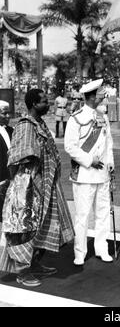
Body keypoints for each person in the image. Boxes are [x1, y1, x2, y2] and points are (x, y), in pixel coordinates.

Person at [0, 90, 74, 288]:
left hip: (45, 186)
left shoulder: (39, 124)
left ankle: (35, 263)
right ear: (34, 104)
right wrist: (19, 186)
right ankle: (22, 271)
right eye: (44, 102)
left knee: (42, 226)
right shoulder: (25, 126)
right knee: (25, 228)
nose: (48, 104)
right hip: (27, 187)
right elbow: (17, 157)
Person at [64, 79, 114, 266]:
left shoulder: (103, 117)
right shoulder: (76, 118)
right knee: (82, 215)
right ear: (92, 96)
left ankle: (102, 248)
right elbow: (70, 146)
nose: (104, 95)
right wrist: (88, 160)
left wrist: (110, 163)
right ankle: (80, 251)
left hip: (102, 174)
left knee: (102, 213)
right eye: (101, 93)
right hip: (84, 174)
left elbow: (108, 143)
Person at [0, 101, 13, 222]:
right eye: (4, 113)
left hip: (10, 179)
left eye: (9, 113)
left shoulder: (11, 130)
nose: (8, 116)